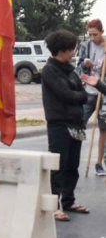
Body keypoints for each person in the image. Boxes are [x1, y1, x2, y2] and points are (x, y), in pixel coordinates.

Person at [42, 30, 91, 221]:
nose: (74, 52)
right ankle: (53, 205)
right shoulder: (49, 70)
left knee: (72, 165)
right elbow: (68, 95)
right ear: (62, 50)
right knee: (58, 166)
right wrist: (79, 96)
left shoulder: (71, 71)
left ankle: (69, 201)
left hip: (76, 124)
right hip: (59, 124)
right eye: (72, 49)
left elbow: (82, 94)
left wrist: (79, 95)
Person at [77, 18, 106, 176]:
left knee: (103, 130)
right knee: (78, 124)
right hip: (88, 92)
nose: (92, 38)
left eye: (95, 35)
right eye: (90, 35)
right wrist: (84, 64)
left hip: (103, 94)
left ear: (102, 32)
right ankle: (73, 159)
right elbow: (78, 66)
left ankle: (99, 163)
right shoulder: (85, 46)